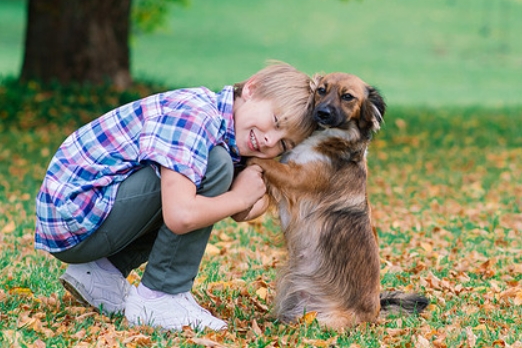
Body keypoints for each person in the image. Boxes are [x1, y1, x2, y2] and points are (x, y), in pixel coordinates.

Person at [35, 62, 316, 331]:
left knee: (215, 171)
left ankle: (103, 272)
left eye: (283, 143)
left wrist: (265, 179)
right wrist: (240, 197)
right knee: (214, 165)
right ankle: (161, 297)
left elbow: (240, 212)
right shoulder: (196, 115)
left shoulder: (228, 132)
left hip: (82, 221)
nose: (269, 140)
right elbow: (181, 215)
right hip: (77, 216)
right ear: (252, 88)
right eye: (275, 121)